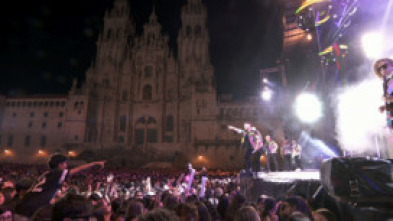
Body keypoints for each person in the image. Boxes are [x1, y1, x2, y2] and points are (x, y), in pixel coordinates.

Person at [14, 153, 105, 219]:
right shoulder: (58, 173)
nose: (66, 166)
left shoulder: (47, 174)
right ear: (60, 164)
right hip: (32, 210)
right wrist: (95, 163)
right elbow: (77, 170)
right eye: (65, 163)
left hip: (23, 206)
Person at [373, 58, 393, 129]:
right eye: (379, 69)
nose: (382, 70)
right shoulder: (386, 82)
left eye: (384, 66)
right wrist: (384, 107)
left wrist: (390, 98)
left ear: (392, 64)